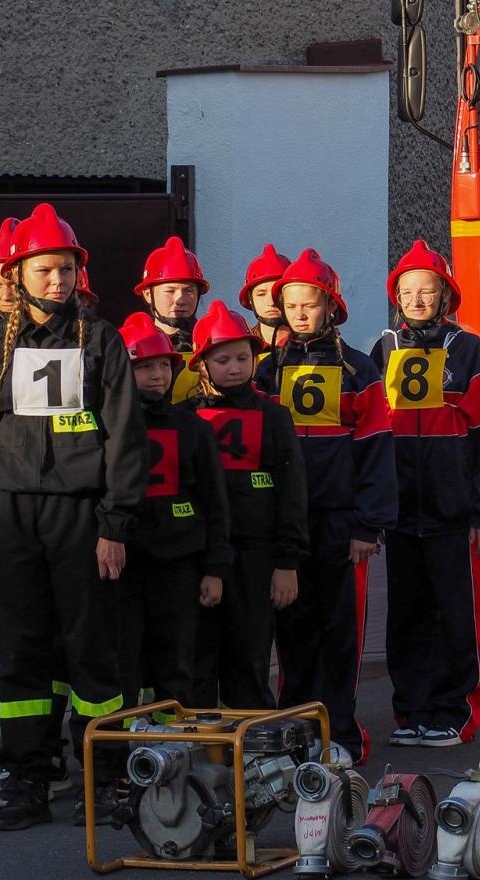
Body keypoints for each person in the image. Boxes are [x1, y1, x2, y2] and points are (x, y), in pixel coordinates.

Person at [0, 202, 148, 832]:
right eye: (43, 270)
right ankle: (26, 773)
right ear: (19, 274)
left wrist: (115, 526)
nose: (55, 281)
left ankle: (103, 773)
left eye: (64, 270)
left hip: (84, 517)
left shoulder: (102, 341)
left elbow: (124, 438)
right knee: (21, 651)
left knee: (92, 651)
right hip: (9, 520)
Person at [371, 241, 480, 748]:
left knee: (457, 615)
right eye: (407, 292)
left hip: (454, 515)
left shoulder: (469, 350)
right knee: (406, 616)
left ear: (445, 295)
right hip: (403, 513)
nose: (417, 300)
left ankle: (457, 712)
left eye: (427, 291)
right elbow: (369, 432)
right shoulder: (384, 348)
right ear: (397, 298)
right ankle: (412, 711)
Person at [269, 249, 397, 765]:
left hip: (341, 525)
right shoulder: (264, 370)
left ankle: (340, 734)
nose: (301, 313)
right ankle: (293, 733)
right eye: (292, 304)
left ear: (332, 306)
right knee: (291, 631)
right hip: (286, 526)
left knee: (339, 633)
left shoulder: (359, 369)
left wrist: (368, 524)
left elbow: (376, 451)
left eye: (311, 303)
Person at [186, 300, 309, 710]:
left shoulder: (274, 417)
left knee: (250, 656)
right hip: (198, 556)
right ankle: (200, 755)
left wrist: (287, 562)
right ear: (202, 364)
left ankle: (253, 755)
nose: (234, 367)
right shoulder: (186, 418)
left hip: (256, 557)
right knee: (197, 660)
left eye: (243, 358)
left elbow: (292, 493)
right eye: (223, 360)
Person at [117, 312, 233, 713]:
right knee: (124, 664)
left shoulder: (193, 428)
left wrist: (214, 569)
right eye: (144, 367)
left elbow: (214, 503)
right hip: (123, 567)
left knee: (176, 663)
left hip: (179, 566)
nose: (157, 376)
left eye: (164, 366)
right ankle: (124, 755)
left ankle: (173, 751)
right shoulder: (105, 427)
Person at [135, 235, 209, 403]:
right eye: (170, 291)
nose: (180, 299)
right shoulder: (131, 344)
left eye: (189, 291)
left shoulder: (210, 344)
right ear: (148, 294)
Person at [241, 244, 292, 384]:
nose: (271, 302)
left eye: (278, 293)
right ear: (250, 299)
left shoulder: (314, 347)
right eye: (261, 294)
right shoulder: (241, 348)